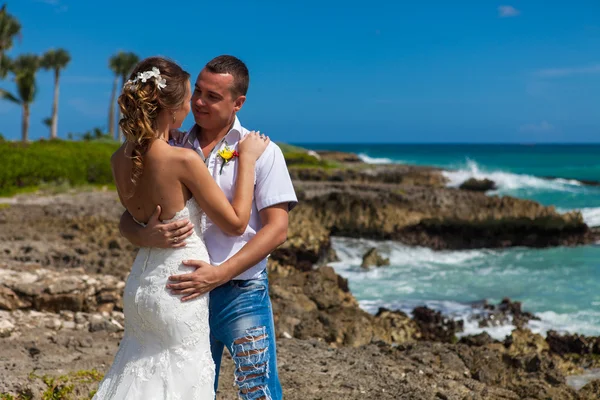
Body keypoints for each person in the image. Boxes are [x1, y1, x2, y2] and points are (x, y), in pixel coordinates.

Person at [119, 55, 297, 400]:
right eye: (197, 92)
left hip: (241, 292)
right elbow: (129, 214)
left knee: (256, 388)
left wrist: (220, 274)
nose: (199, 102)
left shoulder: (263, 152)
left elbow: (277, 230)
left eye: (212, 96)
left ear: (238, 103)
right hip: (181, 290)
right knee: (195, 387)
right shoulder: (170, 146)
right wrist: (144, 235)